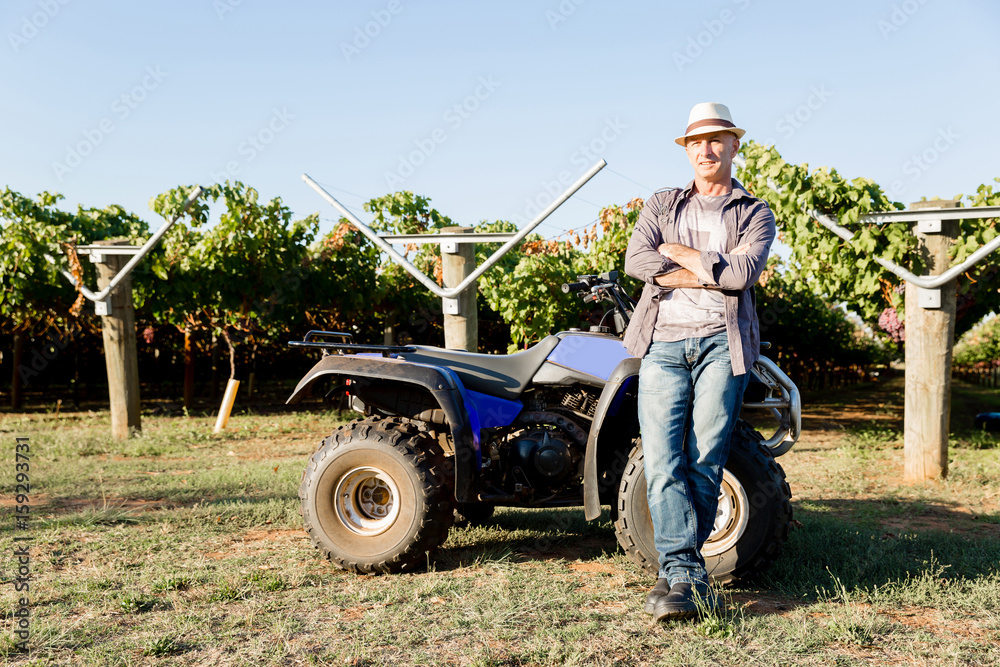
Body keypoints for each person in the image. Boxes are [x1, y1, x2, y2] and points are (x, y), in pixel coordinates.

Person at [623, 102, 775, 621]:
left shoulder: (755, 212)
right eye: (696, 142)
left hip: (720, 343)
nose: (706, 149)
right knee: (662, 460)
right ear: (686, 150)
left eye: (716, 140)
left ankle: (679, 575)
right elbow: (637, 260)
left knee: (704, 458)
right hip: (662, 343)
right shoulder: (663, 203)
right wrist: (711, 269)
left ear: (734, 145)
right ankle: (686, 572)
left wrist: (684, 257)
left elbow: (742, 275)